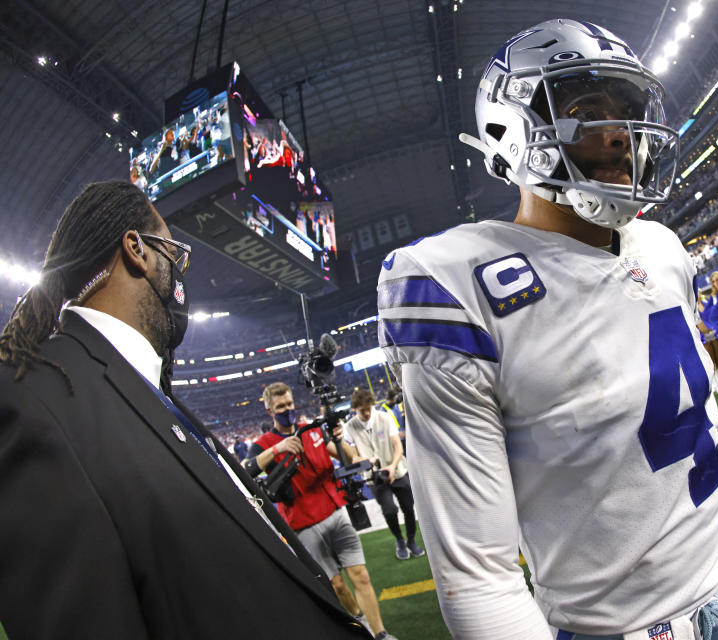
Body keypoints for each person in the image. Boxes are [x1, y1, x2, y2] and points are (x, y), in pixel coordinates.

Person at [378, 19, 718, 639]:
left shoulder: (659, 244)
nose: (622, 134)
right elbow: (479, 576)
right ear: (512, 131)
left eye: (627, 111)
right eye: (588, 109)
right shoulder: (454, 285)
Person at [0, 181, 369, 639]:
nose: (181, 273)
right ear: (137, 249)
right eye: (176, 253)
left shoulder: (146, 388)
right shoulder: (32, 398)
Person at [244, 382, 396, 640]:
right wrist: (277, 449)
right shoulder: (264, 444)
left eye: (289, 404)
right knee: (336, 586)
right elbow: (246, 470)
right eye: (280, 406)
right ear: (270, 410)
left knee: (360, 574)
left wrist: (356, 453)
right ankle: (360, 622)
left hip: (335, 512)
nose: (287, 410)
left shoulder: (312, 432)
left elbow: (347, 456)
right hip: (303, 523)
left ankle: (380, 633)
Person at [342, 389, 425, 560]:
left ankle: (411, 540)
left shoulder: (384, 418)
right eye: (360, 410)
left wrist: (393, 467)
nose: (365, 413)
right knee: (389, 510)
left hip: (398, 471)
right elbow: (352, 456)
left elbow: (398, 445)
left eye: (367, 409)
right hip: (374, 477)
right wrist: (366, 460)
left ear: (372, 405)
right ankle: (399, 540)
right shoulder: (350, 426)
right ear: (354, 410)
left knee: (409, 508)